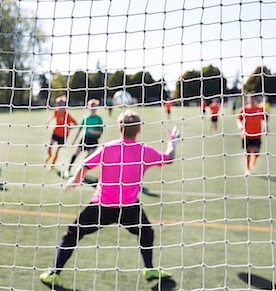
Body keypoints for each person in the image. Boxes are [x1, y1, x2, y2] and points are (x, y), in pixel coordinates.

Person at [39, 110, 181, 287]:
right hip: (129, 208)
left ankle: (54, 273)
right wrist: (173, 143)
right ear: (138, 130)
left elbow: (84, 165)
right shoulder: (144, 150)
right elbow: (169, 158)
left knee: (72, 235)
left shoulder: (108, 148)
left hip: (102, 206)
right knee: (146, 232)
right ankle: (149, 268)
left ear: (120, 128)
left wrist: (74, 182)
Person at [68, 99, 104, 174]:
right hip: (85, 139)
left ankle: (80, 172)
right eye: (92, 107)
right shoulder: (86, 118)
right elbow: (79, 130)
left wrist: (94, 132)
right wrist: (74, 141)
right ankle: (68, 169)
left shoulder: (99, 119)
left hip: (94, 140)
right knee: (76, 153)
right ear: (89, 107)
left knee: (89, 158)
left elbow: (101, 132)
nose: (93, 109)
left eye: (95, 107)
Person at [45, 96, 77, 170]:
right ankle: (49, 156)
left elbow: (76, 124)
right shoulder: (56, 111)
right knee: (49, 146)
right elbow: (53, 116)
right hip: (55, 132)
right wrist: (48, 121)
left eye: (61, 104)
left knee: (57, 151)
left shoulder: (67, 114)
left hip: (63, 135)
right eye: (58, 104)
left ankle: (52, 164)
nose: (60, 105)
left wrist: (69, 128)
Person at [237, 95, 265, 175]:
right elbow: (239, 119)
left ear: (256, 99)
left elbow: (264, 119)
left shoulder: (260, 109)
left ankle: (254, 159)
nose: (251, 100)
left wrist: (264, 126)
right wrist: (240, 127)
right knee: (248, 152)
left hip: (257, 135)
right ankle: (247, 169)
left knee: (256, 152)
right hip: (247, 134)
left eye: (253, 98)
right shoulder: (244, 109)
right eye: (250, 98)